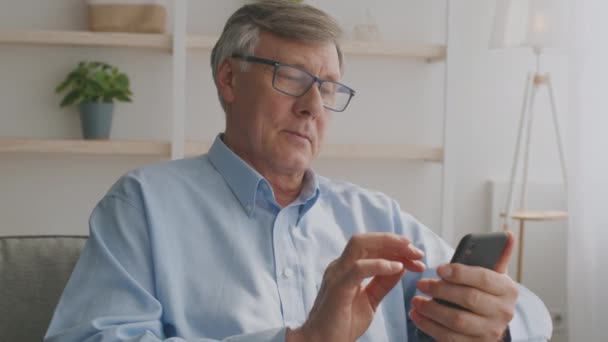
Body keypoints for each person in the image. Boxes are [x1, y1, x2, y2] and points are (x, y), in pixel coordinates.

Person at [45, 1, 552, 341]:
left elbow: (532, 313)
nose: (314, 106)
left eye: (328, 88)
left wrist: (496, 321)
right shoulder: (142, 205)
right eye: (291, 78)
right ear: (229, 78)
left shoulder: (375, 214)